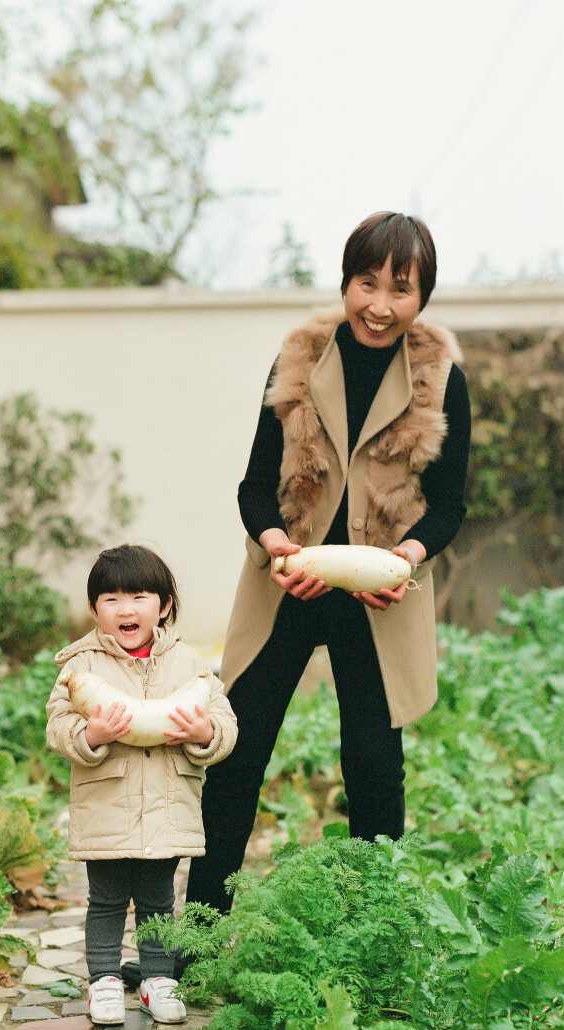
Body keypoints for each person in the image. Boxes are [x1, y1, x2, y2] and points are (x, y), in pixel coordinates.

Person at [186, 210, 471, 931]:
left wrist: (404, 559)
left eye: (399, 289)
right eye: (365, 282)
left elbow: (448, 507)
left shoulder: (444, 382)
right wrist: (280, 546)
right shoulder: (298, 362)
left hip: (381, 597)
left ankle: (373, 933)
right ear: (346, 282)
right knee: (235, 755)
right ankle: (197, 932)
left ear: (421, 297)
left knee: (375, 769)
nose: (379, 304)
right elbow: (254, 488)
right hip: (290, 582)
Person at [46, 544, 237, 1026]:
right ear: (94, 610)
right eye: (110, 599)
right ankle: (105, 980)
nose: (125, 609)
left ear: (164, 605)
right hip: (106, 805)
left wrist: (203, 734)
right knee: (106, 899)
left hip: (166, 806)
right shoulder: (79, 667)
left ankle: (157, 979)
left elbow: (225, 721)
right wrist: (91, 735)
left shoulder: (189, 663)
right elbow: (57, 725)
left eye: (139, 596)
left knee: (158, 900)